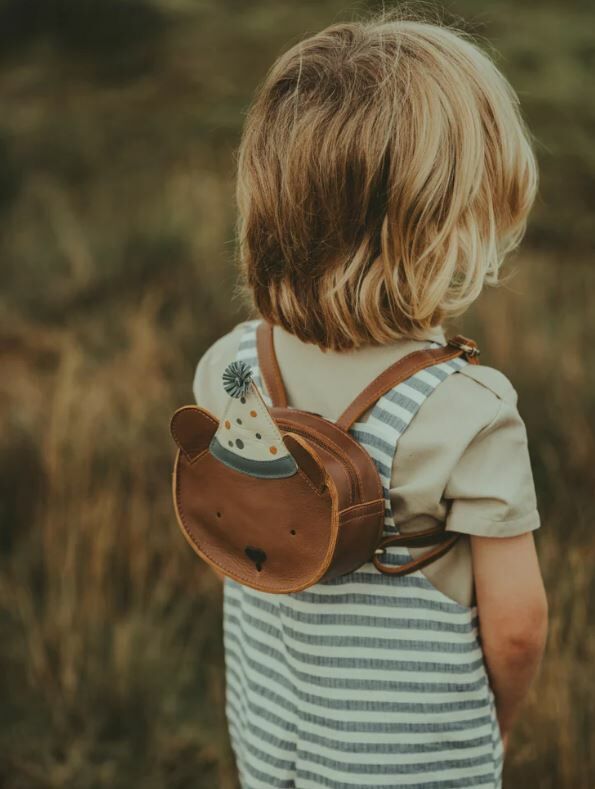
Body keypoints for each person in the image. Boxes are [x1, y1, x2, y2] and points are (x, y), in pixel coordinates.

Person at [192, 11, 548, 788]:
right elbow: (516, 628)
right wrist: (497, 725)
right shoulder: (468, 411)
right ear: (445, 228)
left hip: (270, 732)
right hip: (413, 760)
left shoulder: (229, 369)